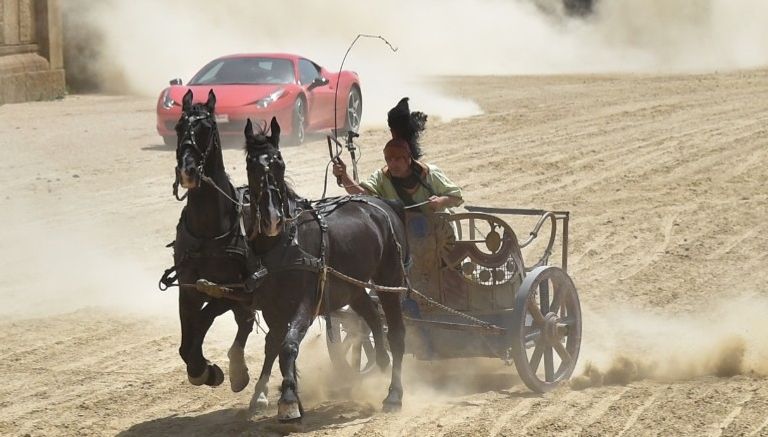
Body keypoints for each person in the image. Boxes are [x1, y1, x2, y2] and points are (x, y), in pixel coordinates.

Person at [333, 97, 463, 213]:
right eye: (389, 159)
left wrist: (441, 201)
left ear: (408, 159)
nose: (392, 164)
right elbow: (363, 195)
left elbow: (456, 196)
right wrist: (344, 175)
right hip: (401, 231)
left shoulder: (430, 173)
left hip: (437, 230)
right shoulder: (382, 177)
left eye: (397, 159)